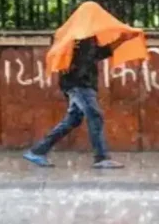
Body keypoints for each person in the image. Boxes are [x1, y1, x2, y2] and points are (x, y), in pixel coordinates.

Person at [23, 31, 139, 169]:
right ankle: (101, 158)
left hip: (77, 84)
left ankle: (38, 151)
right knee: (95, 116)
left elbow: (98, 54)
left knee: (73, 119)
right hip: (80, 84)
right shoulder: (79, 37)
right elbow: (87, 58)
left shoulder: (83, 37)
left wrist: (121, 40)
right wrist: (79, 79)